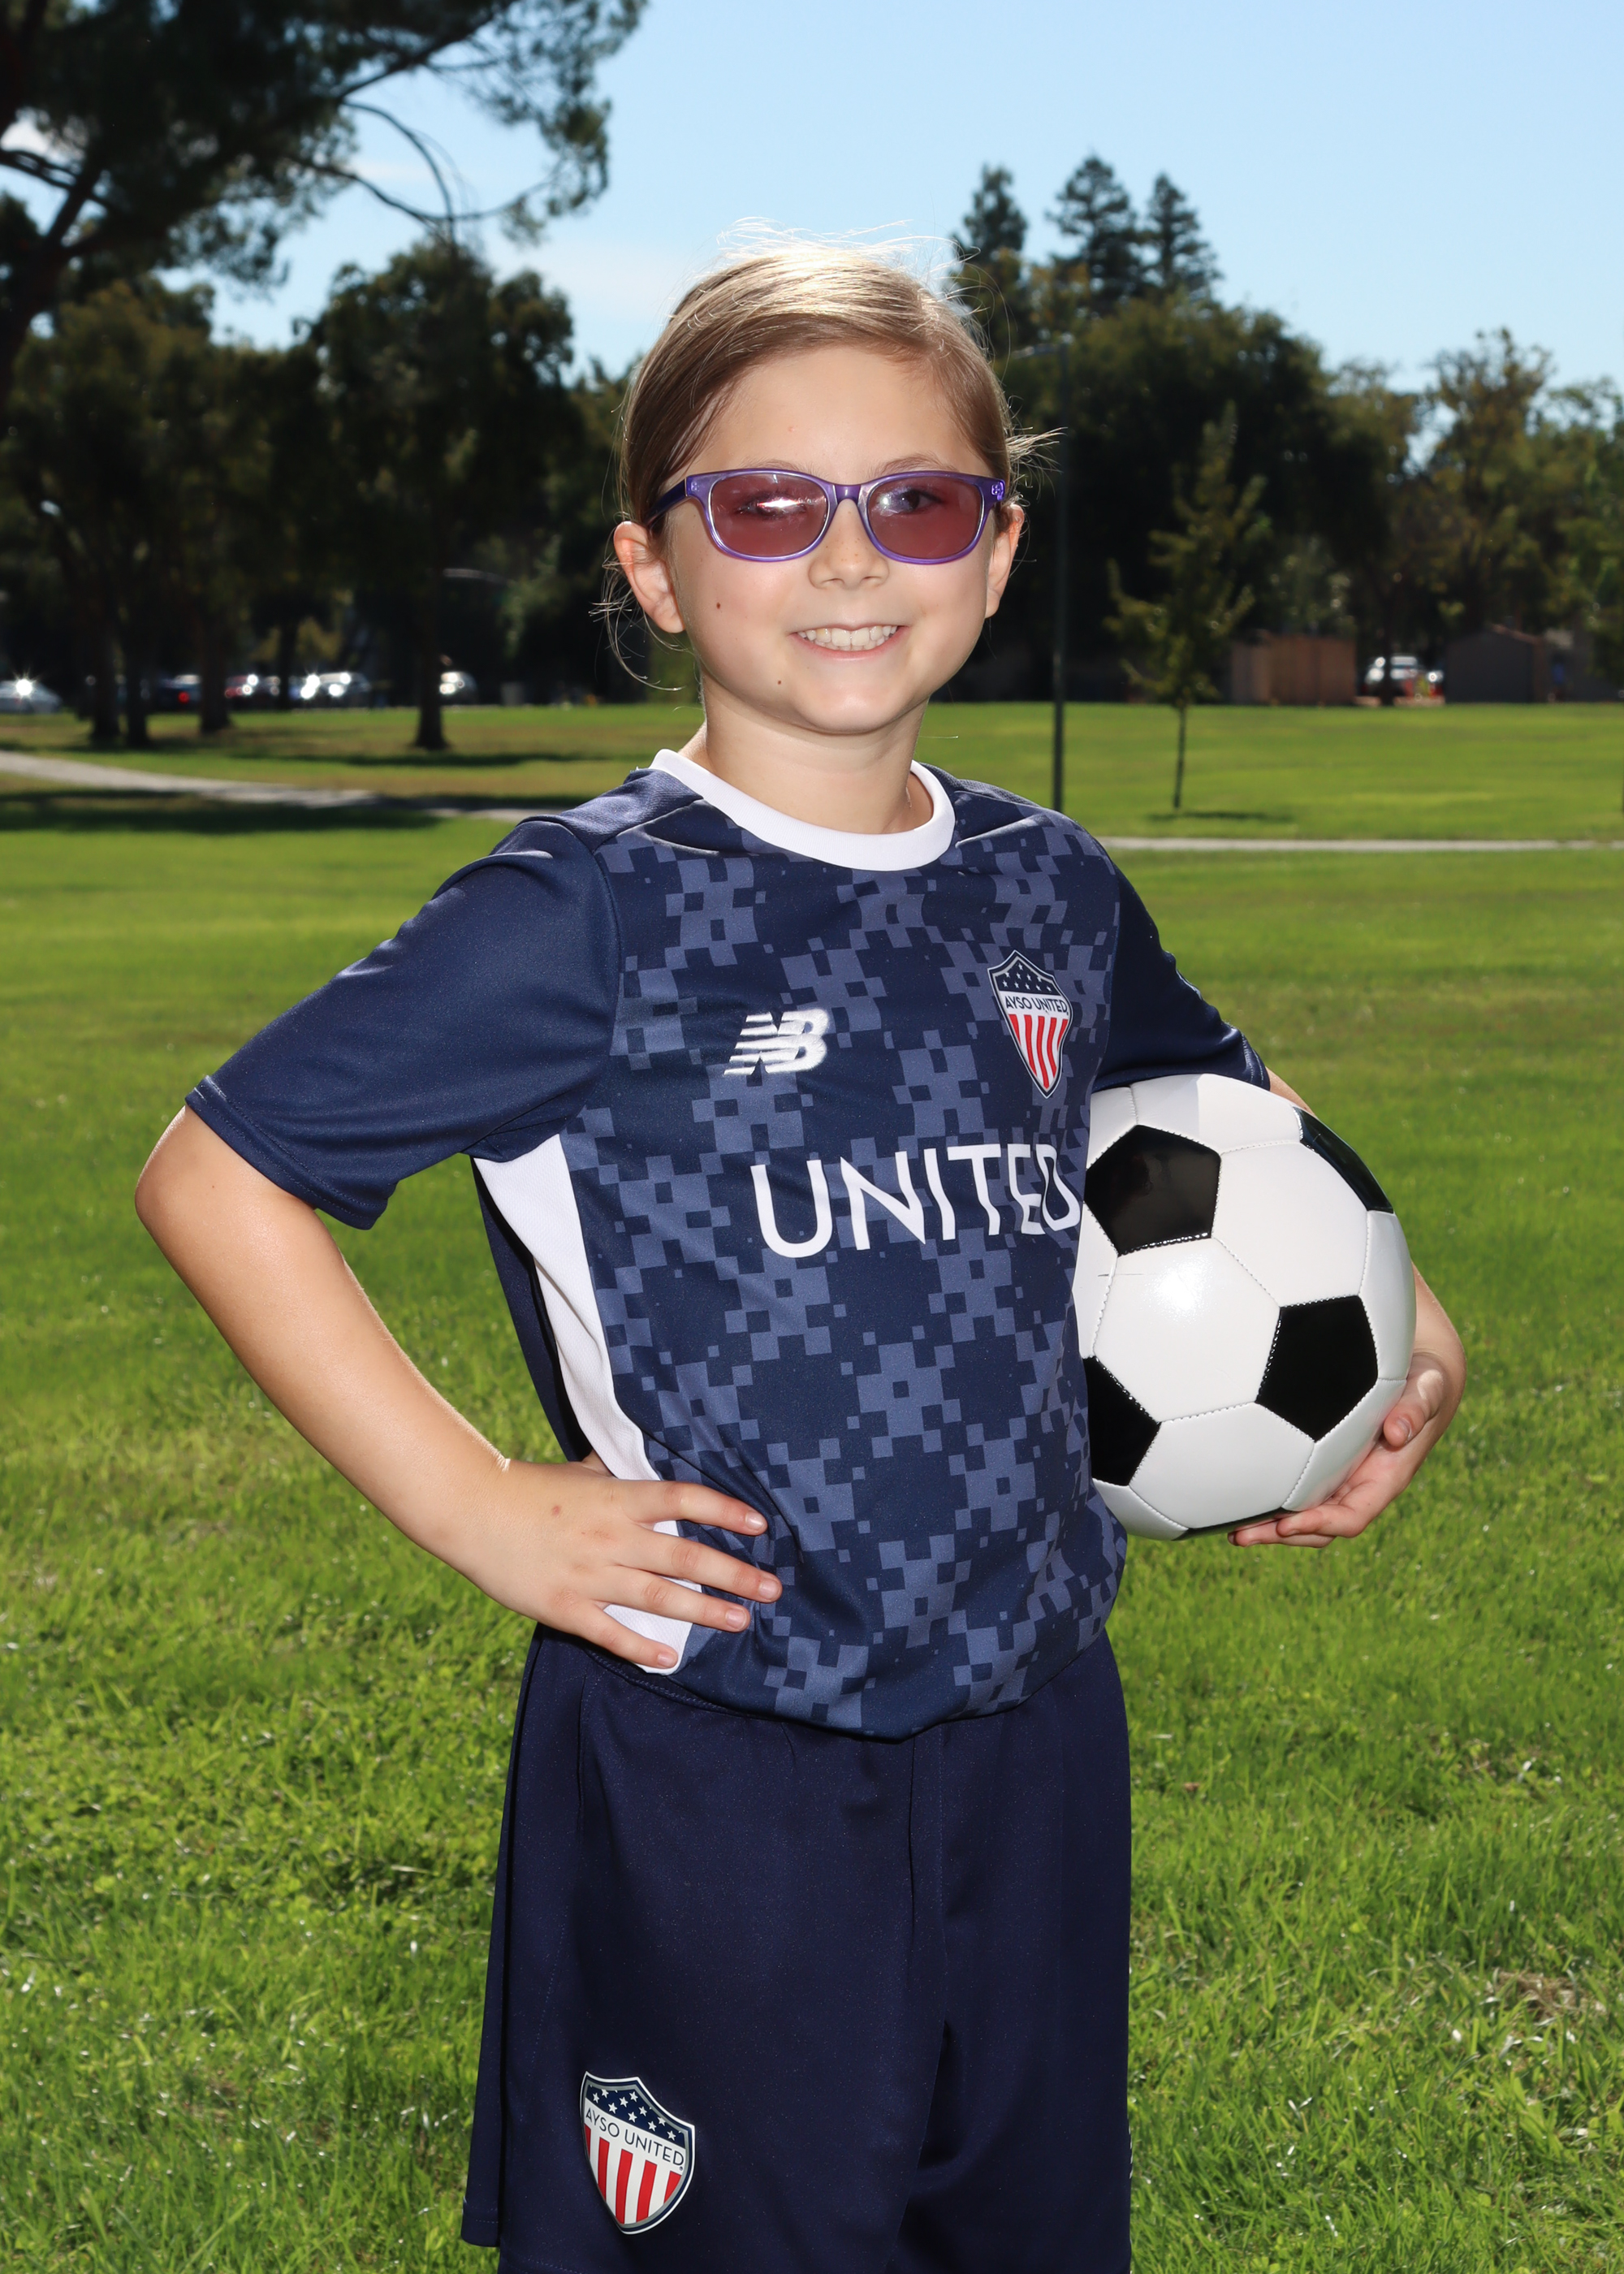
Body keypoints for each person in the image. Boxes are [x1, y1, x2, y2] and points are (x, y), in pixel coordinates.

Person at [135, 244, 1465, 2274]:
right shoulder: (588, 910)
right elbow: (222, 1173)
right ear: (656, 567)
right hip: (720, 1747)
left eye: (915, 500)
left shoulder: (1046, 884)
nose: (848, 557)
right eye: (766, 504)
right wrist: (480, 1503)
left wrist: (1402, 1320)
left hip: (1037, 1728)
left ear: (996, 550)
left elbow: (1218, 1091)